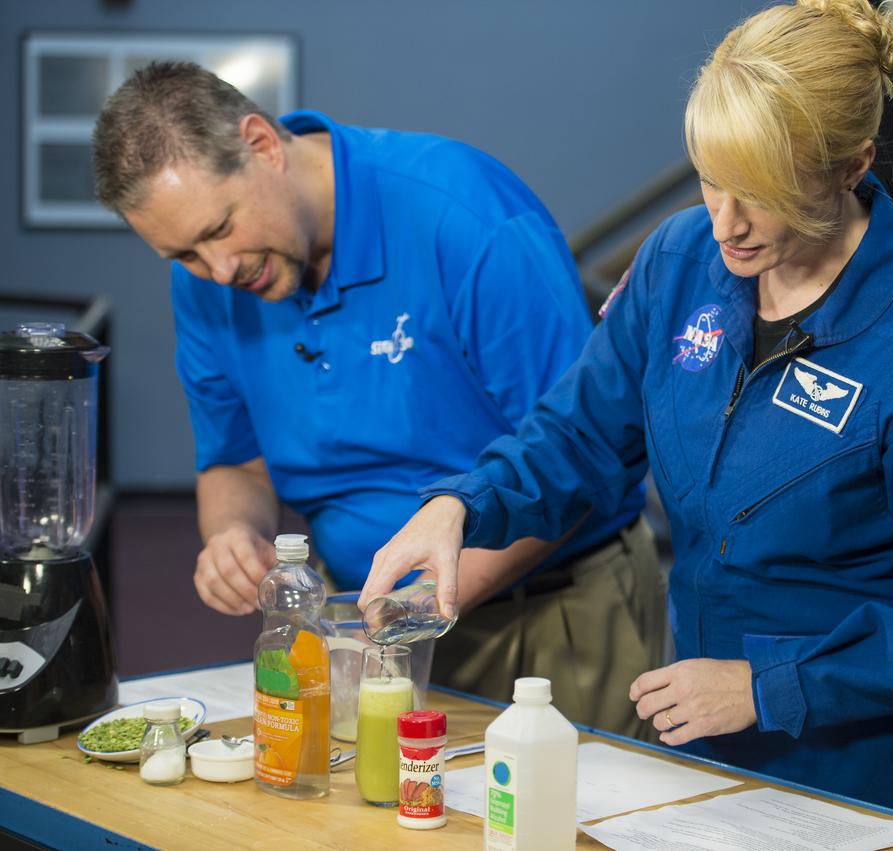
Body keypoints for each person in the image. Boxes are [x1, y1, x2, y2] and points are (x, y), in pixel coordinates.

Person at [360, 0, 893, 825]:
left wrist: (768, 686)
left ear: (851, 166)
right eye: (711, 178)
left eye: (762, 193)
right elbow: (580, 434)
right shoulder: (678, 260)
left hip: (866, 773)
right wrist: (463, 505)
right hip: (703, 745)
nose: (726, 223)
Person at [90, 61, 666, 737]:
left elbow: (584, 451)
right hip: (366, 622)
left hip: (549, 612)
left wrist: (409, 609)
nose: (217, 271)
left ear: (263, 146)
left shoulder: (461, 215)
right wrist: (231, 536)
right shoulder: (210, 279)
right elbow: (235, 458)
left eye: (220, 229)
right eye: (184, 254)